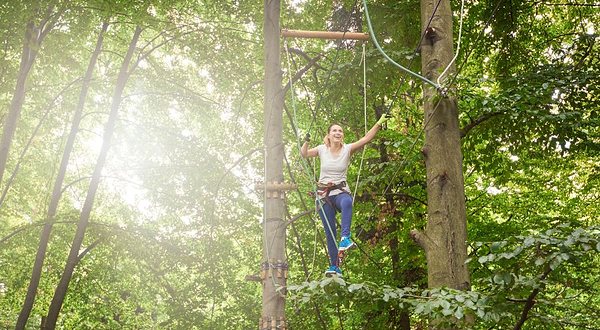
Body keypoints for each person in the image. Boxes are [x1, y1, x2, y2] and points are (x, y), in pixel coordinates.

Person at [301, 114, 390, 276]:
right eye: (334, 130)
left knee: (347, 202)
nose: (337, 133)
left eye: (340, 131)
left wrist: (378, 123)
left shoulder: (347, 149)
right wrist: (306, 141)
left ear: (342, 135)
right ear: (328, 135)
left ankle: (345, 238)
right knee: (329, 232)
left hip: (339, 192)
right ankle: (335, 266)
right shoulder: (322, 150)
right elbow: (304, 154)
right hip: (323, 196)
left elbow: (365, 139)